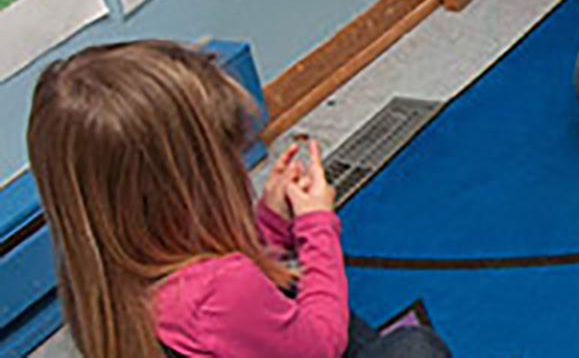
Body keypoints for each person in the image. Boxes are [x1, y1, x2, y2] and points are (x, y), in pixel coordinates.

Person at [29, 41, 451, 358]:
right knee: (415, 347)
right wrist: (317, 225)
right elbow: (321, 344)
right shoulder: (222, 290)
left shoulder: (100, 268)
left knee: (297, 290)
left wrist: (268, 223)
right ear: (182, 188)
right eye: (229, 156)